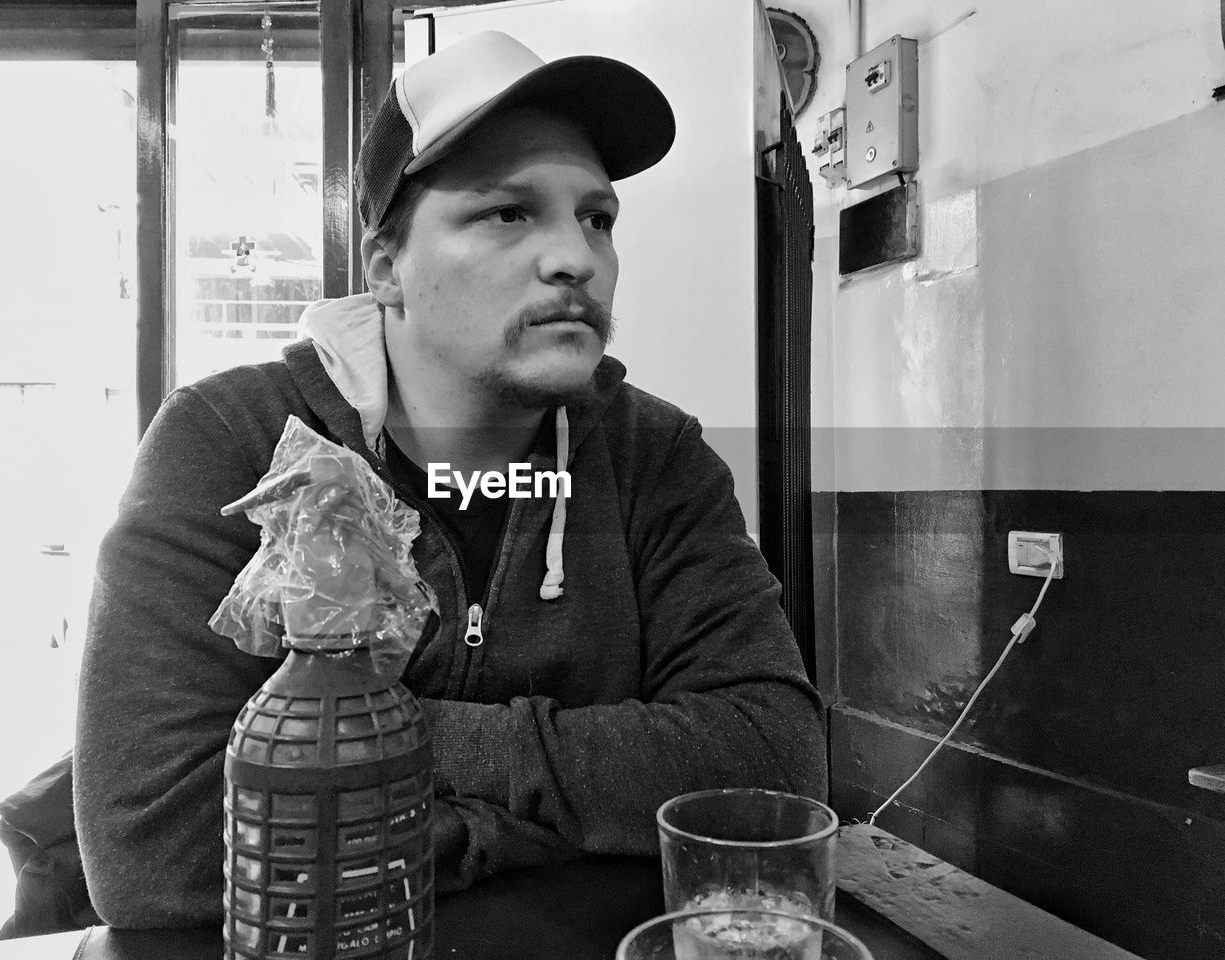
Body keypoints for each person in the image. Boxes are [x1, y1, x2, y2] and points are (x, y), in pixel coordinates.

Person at [74, 30, 826, 928]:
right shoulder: (231, 442)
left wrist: (389, 746)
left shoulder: (654, 456)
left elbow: (772, 766)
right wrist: (553, 816)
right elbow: (156, 851)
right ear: (386, 267)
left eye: (597, 217)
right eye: (508, 212)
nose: (577, 259)